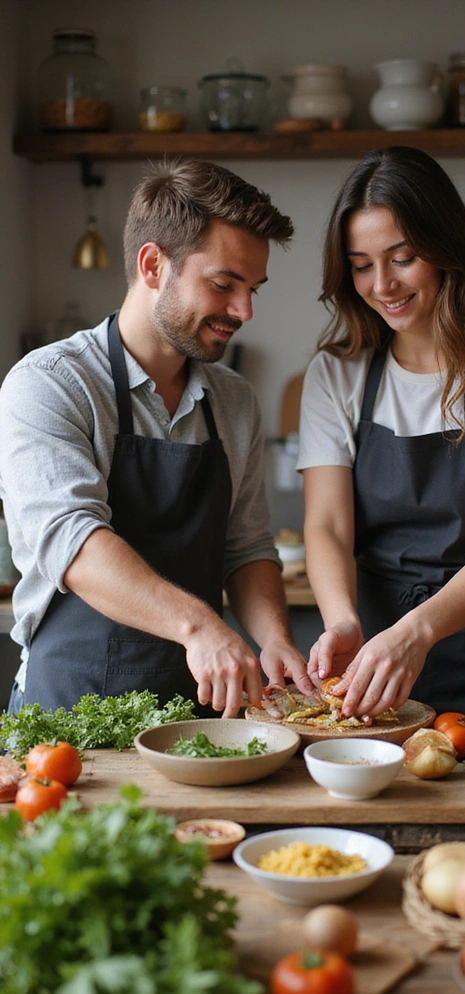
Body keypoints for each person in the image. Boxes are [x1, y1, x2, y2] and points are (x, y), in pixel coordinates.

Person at [0, 157, 314, 717]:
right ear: (152, 265)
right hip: (69, 717)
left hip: (194, 720)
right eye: (223, 285)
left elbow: (245, 547)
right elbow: (72, 540)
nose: (243, 310)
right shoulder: (48, 384)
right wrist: (199, 626)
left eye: (252, 289)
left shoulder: (235, 400)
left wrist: (274, 640)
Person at [297, 146, 465, 723]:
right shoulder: (336, 373)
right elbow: (326, 524)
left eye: (402, 257)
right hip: (373, 670)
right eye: (362, 264)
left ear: (446, 251)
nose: (382, 284)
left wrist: (415, 634)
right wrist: (343, 621)